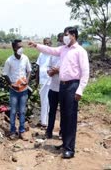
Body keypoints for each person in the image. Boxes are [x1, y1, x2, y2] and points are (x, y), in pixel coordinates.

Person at [29, 27, 90, 159]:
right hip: (62, 86)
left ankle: (69, 149)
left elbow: (85, 73)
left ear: (73, 35)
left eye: (66, 35)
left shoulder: (80, 51)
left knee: (70, 117)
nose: (64, 38)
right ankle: (65, 144)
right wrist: (36, 45)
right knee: (64, 115)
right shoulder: (63, 49)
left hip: (72, 85)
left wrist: (80, 90)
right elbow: (50, 50)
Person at [3, 39, 32, 141]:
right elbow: (5, 74)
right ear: (14, 48)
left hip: (23, 89)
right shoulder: (9, 60)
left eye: (21, 46)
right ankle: (12, 130)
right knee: (13, 111)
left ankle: (22, 131)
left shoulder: (25, 58)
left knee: (23, 111)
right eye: (19, 47)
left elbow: (29, 71)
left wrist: (27, 81)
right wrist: (11, 84)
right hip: (14, 90)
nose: (21, 48)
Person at [45, 33, 64, 139]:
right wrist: (51, 72)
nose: (61, 43)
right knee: (52, 110)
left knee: (63, 111)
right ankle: (49, 131)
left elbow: (69, 71)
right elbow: (48, 70)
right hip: (53, 88)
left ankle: (62, 132)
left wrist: (58, 70)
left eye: (62, 41)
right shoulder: (53, 55)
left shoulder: (67, 55)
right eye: (60, 41)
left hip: (64, 88)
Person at [36, 38, 52, 130]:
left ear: (51, 44)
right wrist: (37, 80)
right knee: (43, 102)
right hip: (42, 81)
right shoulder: (41, 54)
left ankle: (48, 122)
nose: (46, 45)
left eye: (48, 43)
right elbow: (38, 67)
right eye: (45, 44)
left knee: (49, 102)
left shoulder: (53, 54)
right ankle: (43, 121)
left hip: (50, 81)